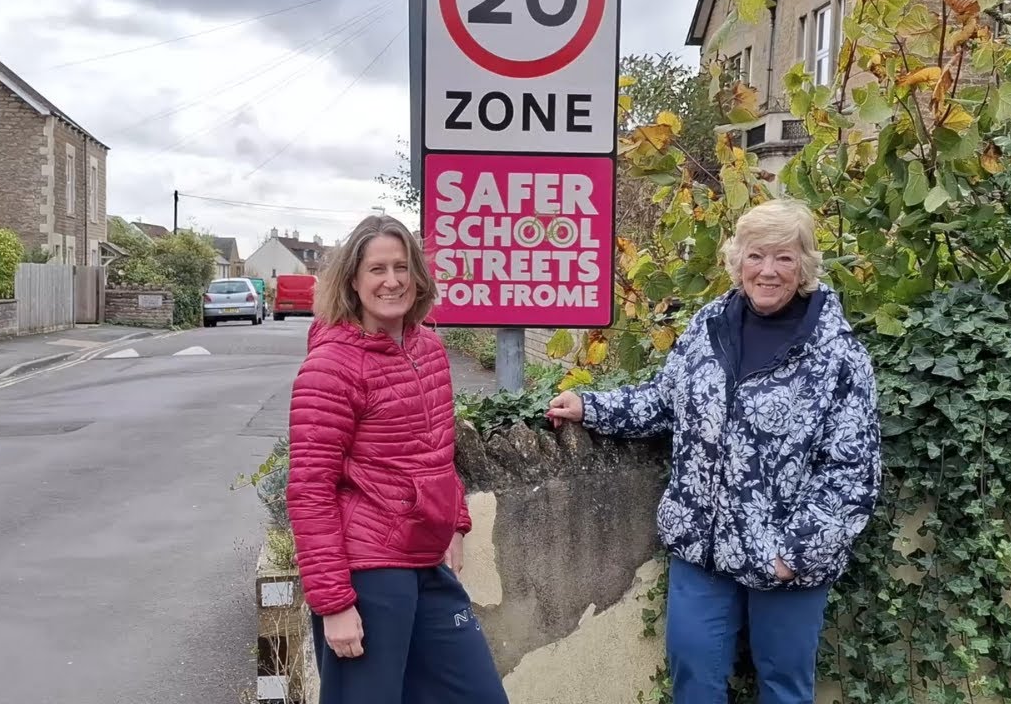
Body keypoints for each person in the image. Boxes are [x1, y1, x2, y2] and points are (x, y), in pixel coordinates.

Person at [547, 198, 882, 704]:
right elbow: (665, 401)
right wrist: (589, 407)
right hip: (702, 549)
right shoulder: (709, 325)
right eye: (756, 255)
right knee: (694, 681)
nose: (768, 270)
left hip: (785, 557)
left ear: (805, 264)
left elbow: (852, 471)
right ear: (738, 260)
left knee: (784, 690)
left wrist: (794, 555)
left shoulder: (838, 353)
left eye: (784, 257)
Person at [286, 215, 508, 704]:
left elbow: (436, 449)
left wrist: (455, 519)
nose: (392, 281)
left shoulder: (427, 346)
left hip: (426, 560)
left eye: (402, 267)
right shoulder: (331, 366)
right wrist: (334, 604)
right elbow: (310, 490)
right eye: (377, 269)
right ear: (353, 281)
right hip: (368, 569)